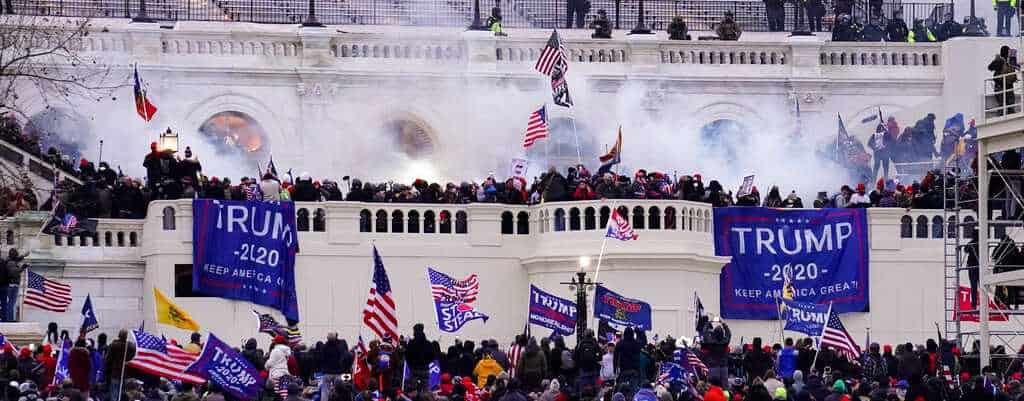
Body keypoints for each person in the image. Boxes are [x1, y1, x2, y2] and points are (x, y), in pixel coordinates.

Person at [104, 329, 136, 401]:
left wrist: (106, 370)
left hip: (115, 373)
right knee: (122, 394)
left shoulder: (113, 346)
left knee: (114, 394)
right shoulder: (130, 347)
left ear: (119, 336)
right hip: (125, 373)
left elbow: (108, 359)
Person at [989, 46, 1018, 115]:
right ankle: (1011, 116)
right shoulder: (1010, 61)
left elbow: (990, 68)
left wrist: (995, 60)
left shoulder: (1000, 60)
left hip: (1000, 86)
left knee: (1001, 106)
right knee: (1010, 106)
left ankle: (1001, 116)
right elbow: (1017, 68)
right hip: (1009, 85)